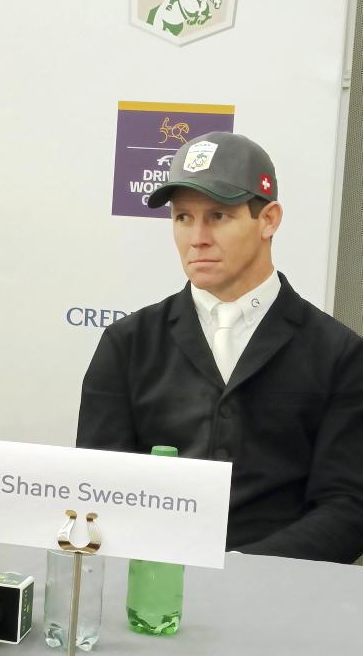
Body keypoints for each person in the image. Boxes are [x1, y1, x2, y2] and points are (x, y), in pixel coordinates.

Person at [77, 132, 363, 562]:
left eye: (218, 216)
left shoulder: (339, 354)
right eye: (183, 217)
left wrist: (245, 571)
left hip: (278, 591)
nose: (197, 237)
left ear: (268, 220)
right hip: (149, 585)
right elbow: (99, 486)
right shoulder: (127, 344)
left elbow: (348, 506)